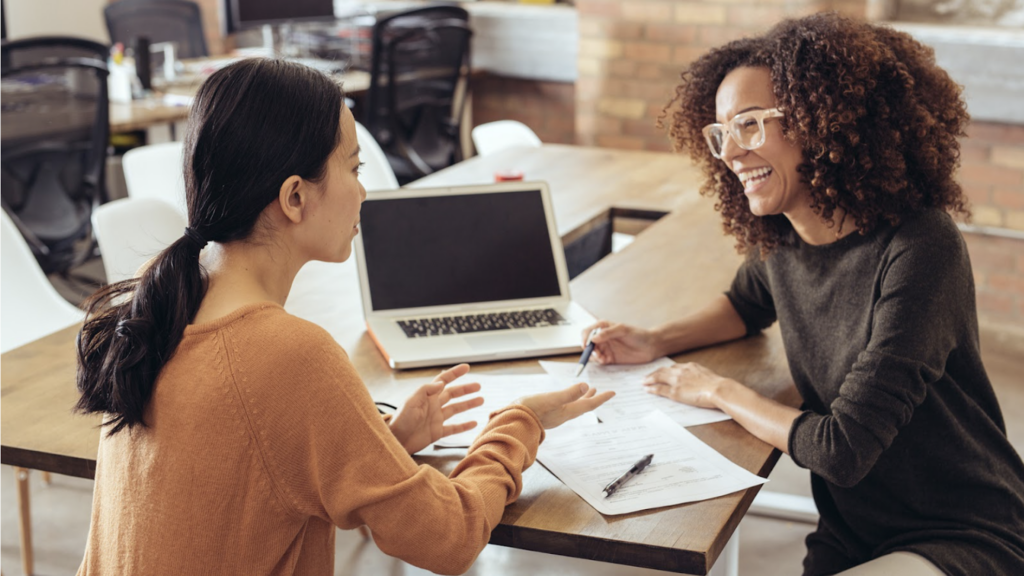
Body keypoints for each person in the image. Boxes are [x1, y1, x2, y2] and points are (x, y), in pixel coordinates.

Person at [74, 58, 613, 575]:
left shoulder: (161, 296)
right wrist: (520, 424)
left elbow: (247, 466)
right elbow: (449, 537)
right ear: (293, 196)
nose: (363, 190)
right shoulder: (286, 353)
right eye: (354, 168)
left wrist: (383, 440)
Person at [583, 13, 1024, 576]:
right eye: (722, 134)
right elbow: (745, 305)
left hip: (959, 528)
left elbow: (840, 450)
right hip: (852, 528)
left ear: (823, 121)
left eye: (750, 125)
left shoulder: (921, 246)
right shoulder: (785, 237)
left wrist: (717, 390)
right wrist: (653, 338)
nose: (732, 154)